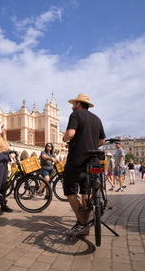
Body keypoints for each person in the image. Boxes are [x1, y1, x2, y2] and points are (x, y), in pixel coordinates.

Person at [62, 93, 105, 236]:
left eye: (73, 104)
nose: (72, 107)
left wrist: (65, 137)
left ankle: (83, 224)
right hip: (92, 161)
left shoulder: (76, 115)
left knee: (70, 190)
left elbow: (70, 134)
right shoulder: (97, 119)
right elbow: (102, 142)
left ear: (79, 104)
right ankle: (83, 224)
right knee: (85, 191)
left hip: (77, 158)